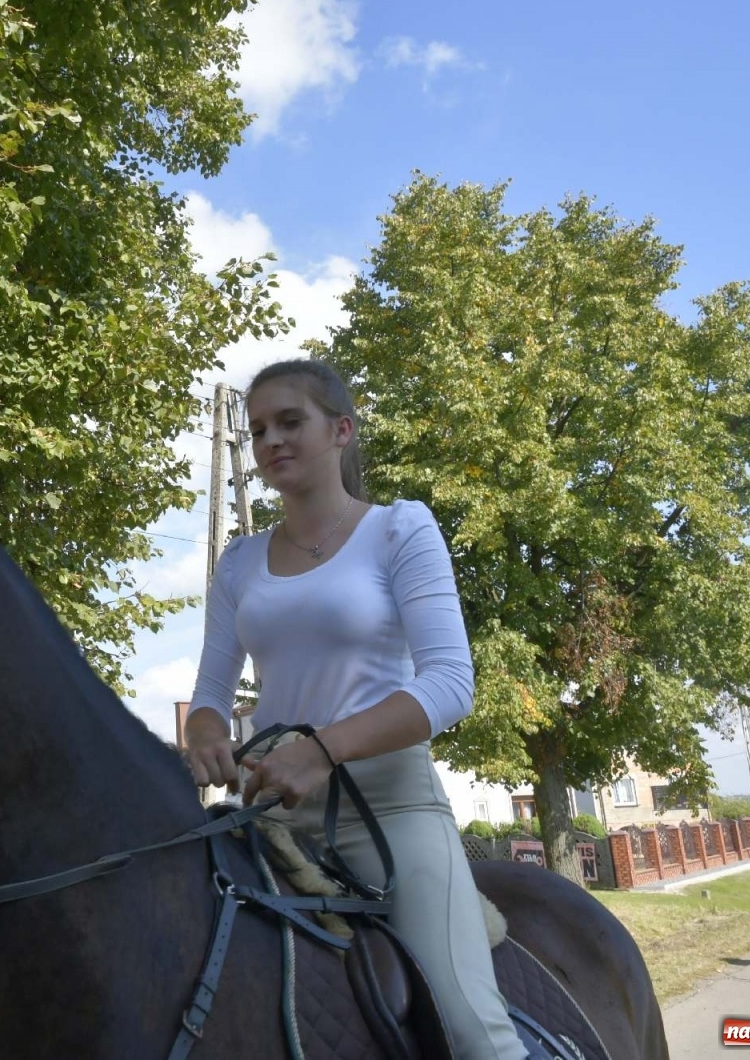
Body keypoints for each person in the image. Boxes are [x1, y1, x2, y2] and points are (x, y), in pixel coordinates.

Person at [184, 358, 527, 1060]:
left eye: (290, 422)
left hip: (391, 811)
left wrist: (321, 750)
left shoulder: (400, 530)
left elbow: (449, 685)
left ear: (341, 430)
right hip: (270, 820)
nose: (270, 441)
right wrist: (208, 736)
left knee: (469, 1028)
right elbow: (211, 698)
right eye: (257, 431)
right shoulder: (240, 563)